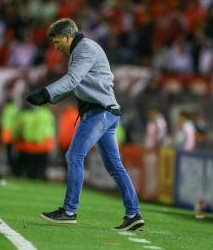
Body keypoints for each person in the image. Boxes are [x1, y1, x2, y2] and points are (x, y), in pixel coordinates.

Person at [26, 18, 144, 231]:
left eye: (57, 41)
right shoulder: (81, 50)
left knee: (74, 156)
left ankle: (69, 211)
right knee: (114, 166)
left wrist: (45, 93)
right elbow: (76, 85)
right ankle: (133, 213)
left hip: (99, 113)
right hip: (105, 112)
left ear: (68, 36)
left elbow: (72, 80)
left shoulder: (85, 49)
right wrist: (49, 99)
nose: (55, 46)